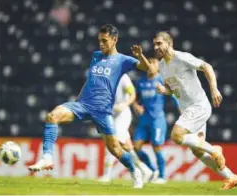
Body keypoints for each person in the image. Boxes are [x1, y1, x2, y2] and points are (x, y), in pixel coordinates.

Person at [28, 24, 153, 189]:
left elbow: (148, 69)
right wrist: (79, 100)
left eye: (104, 41)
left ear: (115, 40)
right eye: (99, 41)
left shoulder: (123, 60)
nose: (101, 44)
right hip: (84, 104)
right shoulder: (96, 56)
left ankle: (134, 170)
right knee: (52, 116)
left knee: (115, 148)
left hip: (103, 111)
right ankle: (47, 157)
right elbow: (90, 80)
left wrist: (141, 56)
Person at [131, 32, 237, 190]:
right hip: (188, 110)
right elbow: (173, 88)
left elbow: (206, 67)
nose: (156, 47)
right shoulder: (162, 66)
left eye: (160, 43)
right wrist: (165, 90)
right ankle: (231, 176)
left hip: (198, 105)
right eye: (154, 44)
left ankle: (214, 149)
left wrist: (214, 89)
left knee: (176, 135)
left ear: (170, 43)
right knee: (198, 152)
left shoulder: (181, 58)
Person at [132, 58, 179, 184]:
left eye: (154, 64)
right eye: (150, 63)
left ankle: (162, 176)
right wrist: (136, 106)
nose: (152, 65)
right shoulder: (140, 81)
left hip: (157, 119)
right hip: (144, 120)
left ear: (158, 67)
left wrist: (181, 108)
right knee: (135, 147)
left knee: (156, 146)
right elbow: (135, 98)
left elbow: (173, 94)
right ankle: (153, 170)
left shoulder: (162, 80)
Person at [98, 74, 152, 182]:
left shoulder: (123, 77)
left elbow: (132, 94)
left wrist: (124, 104)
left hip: (123, 115)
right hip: (111, 115)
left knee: (112, 142)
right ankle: (145, 170)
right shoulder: (104, 77)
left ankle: (106, 175)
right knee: (127, 147)